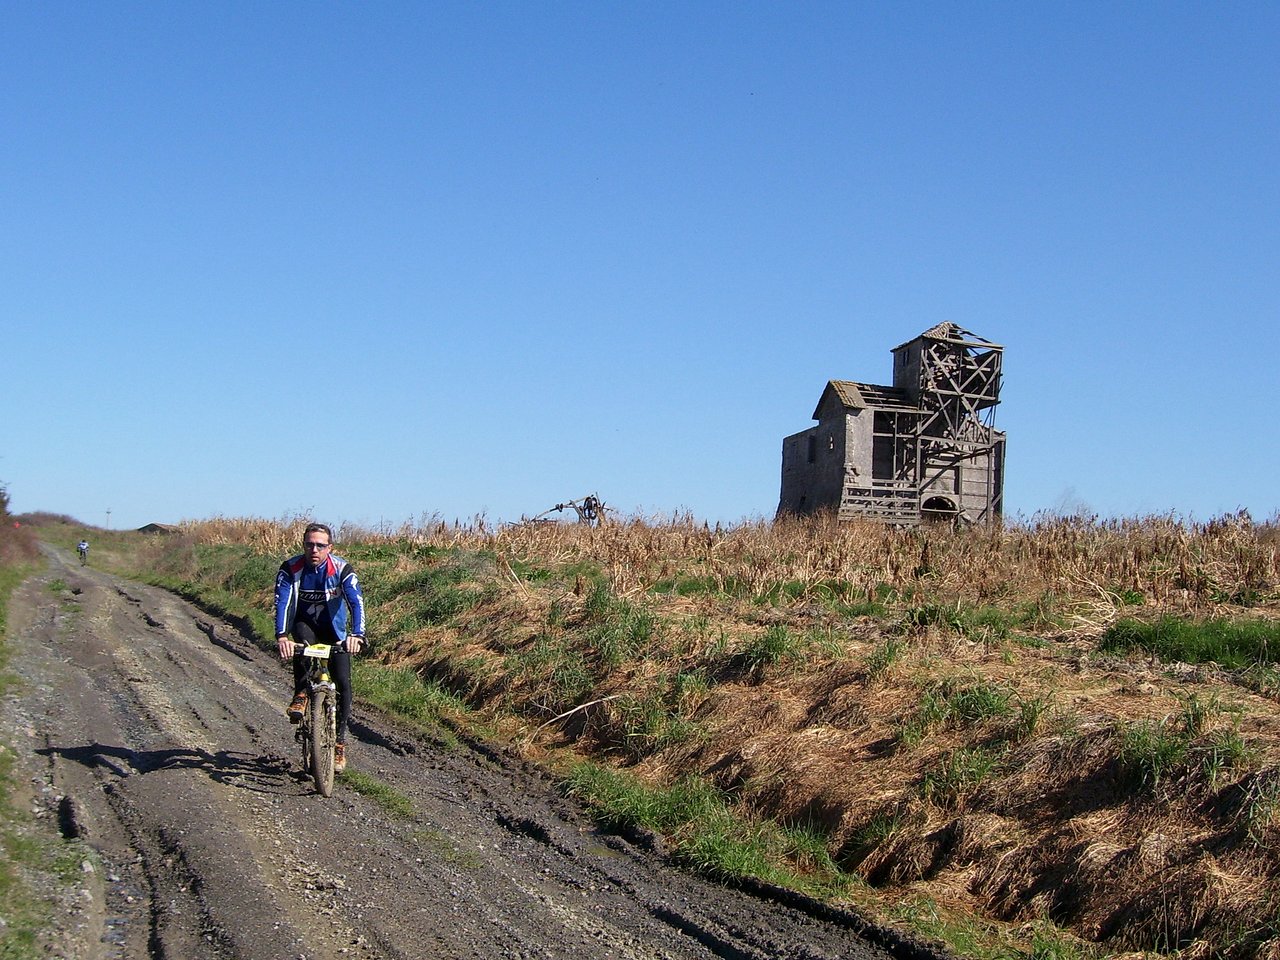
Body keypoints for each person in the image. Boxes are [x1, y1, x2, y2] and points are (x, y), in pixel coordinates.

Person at [273, 523, 366, 773]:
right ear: (303, 545)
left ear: (329, 547)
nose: (314, 549)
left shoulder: (341, 569)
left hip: (334, 631)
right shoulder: (290, 568)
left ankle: (340, 744)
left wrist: (357, 635)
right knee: (302, 644)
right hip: (305, 624)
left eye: (320, 545)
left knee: (343, 683)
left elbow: (356, 602)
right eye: (309, 544)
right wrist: (282, 636)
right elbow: (282, 602)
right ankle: (301, 693)